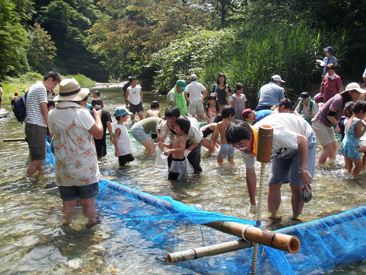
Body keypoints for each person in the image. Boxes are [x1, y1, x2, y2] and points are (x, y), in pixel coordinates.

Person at [226, 113, 315, 221]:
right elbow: (250, 174)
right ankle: (273, 218)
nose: (242, 149)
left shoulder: (274, 135)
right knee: (273, 183)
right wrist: (252, 203)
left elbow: (303, 141)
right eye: (236, 147)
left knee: (296, 185)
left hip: (303, 140)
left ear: (251, 136)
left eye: (241, 144)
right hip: (281, 149)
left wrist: (303, 169)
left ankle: (295, 219)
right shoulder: (245, 148)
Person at [48, 78, 103, 227]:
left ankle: (64, 228)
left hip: (63, 168)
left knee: (67, 204)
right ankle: (91, 231)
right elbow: (98, 134)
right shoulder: (81, 114)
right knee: (88, 203)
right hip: (85, 169)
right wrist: (97, 117)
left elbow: (52, 135)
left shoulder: (52, 113)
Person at [312, 82, 366, 168]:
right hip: (319, 122)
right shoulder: (339, 99)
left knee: (333, 145)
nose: (357, 96)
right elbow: (329, 115)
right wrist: (339, 125)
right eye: (356, 93)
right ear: (350, 92)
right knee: (328, 147)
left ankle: (331, 164)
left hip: (327, 124)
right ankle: (319, 167)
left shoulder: (343, 101)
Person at [25, 71, 61, 176]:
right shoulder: (41, 89)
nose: (53, 88)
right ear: (50, 79)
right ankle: (27, 181)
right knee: (37, 160)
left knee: (40, 157)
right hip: (36, 126)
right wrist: (50, 129)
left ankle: (40, 178)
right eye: (54, 84)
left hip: (33, 125)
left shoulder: (35, 86)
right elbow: (45, 111)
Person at [158, 106, 203, 173]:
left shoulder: (190, 127)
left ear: (178, 118)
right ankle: (172, 176)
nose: (170, 123)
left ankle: (197, 177)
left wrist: (187, 151)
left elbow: (197, 141)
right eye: (168, 120)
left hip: (193, 140)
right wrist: (162, 148)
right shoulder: (166, 125)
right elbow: (162, 138)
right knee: (171, 158)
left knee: (193, 160)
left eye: (173, 120)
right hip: (182, 139)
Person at [339, 102, 366, 177]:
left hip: (345, 144)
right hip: (352, 146)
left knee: (348, 167)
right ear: (361, 112)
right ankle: (353, 178)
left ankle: (346, 178)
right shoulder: (358, 121)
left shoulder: (351, 118)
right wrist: (364, 129)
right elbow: (358, 135)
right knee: (358, 166)